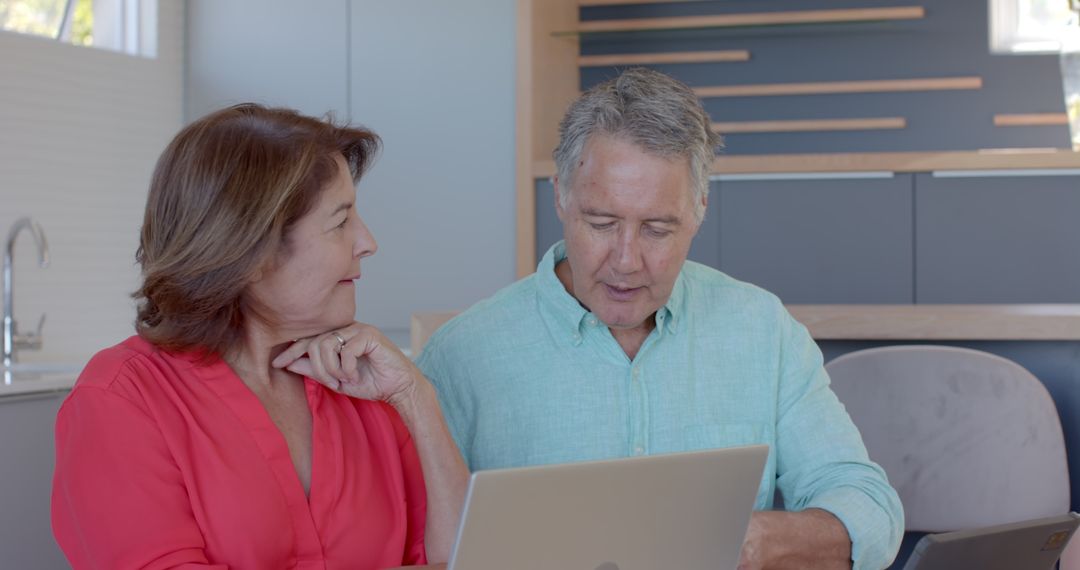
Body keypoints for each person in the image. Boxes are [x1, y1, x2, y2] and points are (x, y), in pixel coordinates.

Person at [416, 68, 903, 570]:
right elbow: (411, 544)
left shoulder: (761, 329)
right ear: (560, 195)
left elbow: (869, 506)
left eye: (657, 229)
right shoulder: (459, 356)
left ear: (699, 210)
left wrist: (764, 538)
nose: (626, 261)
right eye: (601, 223)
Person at [51, 104, 468, 570]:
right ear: (250, 254)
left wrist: (415, 396)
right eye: (340, 223)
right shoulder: (122, 398)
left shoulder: (363, 389)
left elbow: (462, 559)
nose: (368, 242)